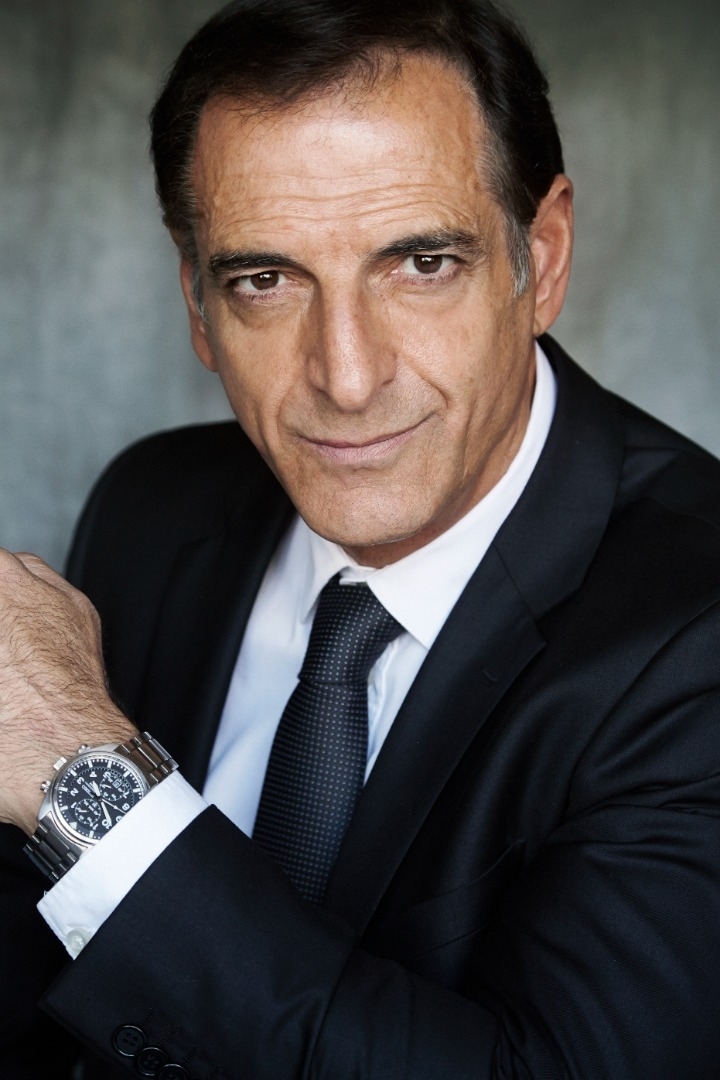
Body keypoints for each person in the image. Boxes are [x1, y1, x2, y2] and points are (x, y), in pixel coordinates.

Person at [1, 0, 720, 1076]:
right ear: (197, 303)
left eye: (421, 263)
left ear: (543, 256)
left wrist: (83, 778)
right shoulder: (153, 510)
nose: (346, 376)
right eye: (265, 279)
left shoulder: (698, 628)